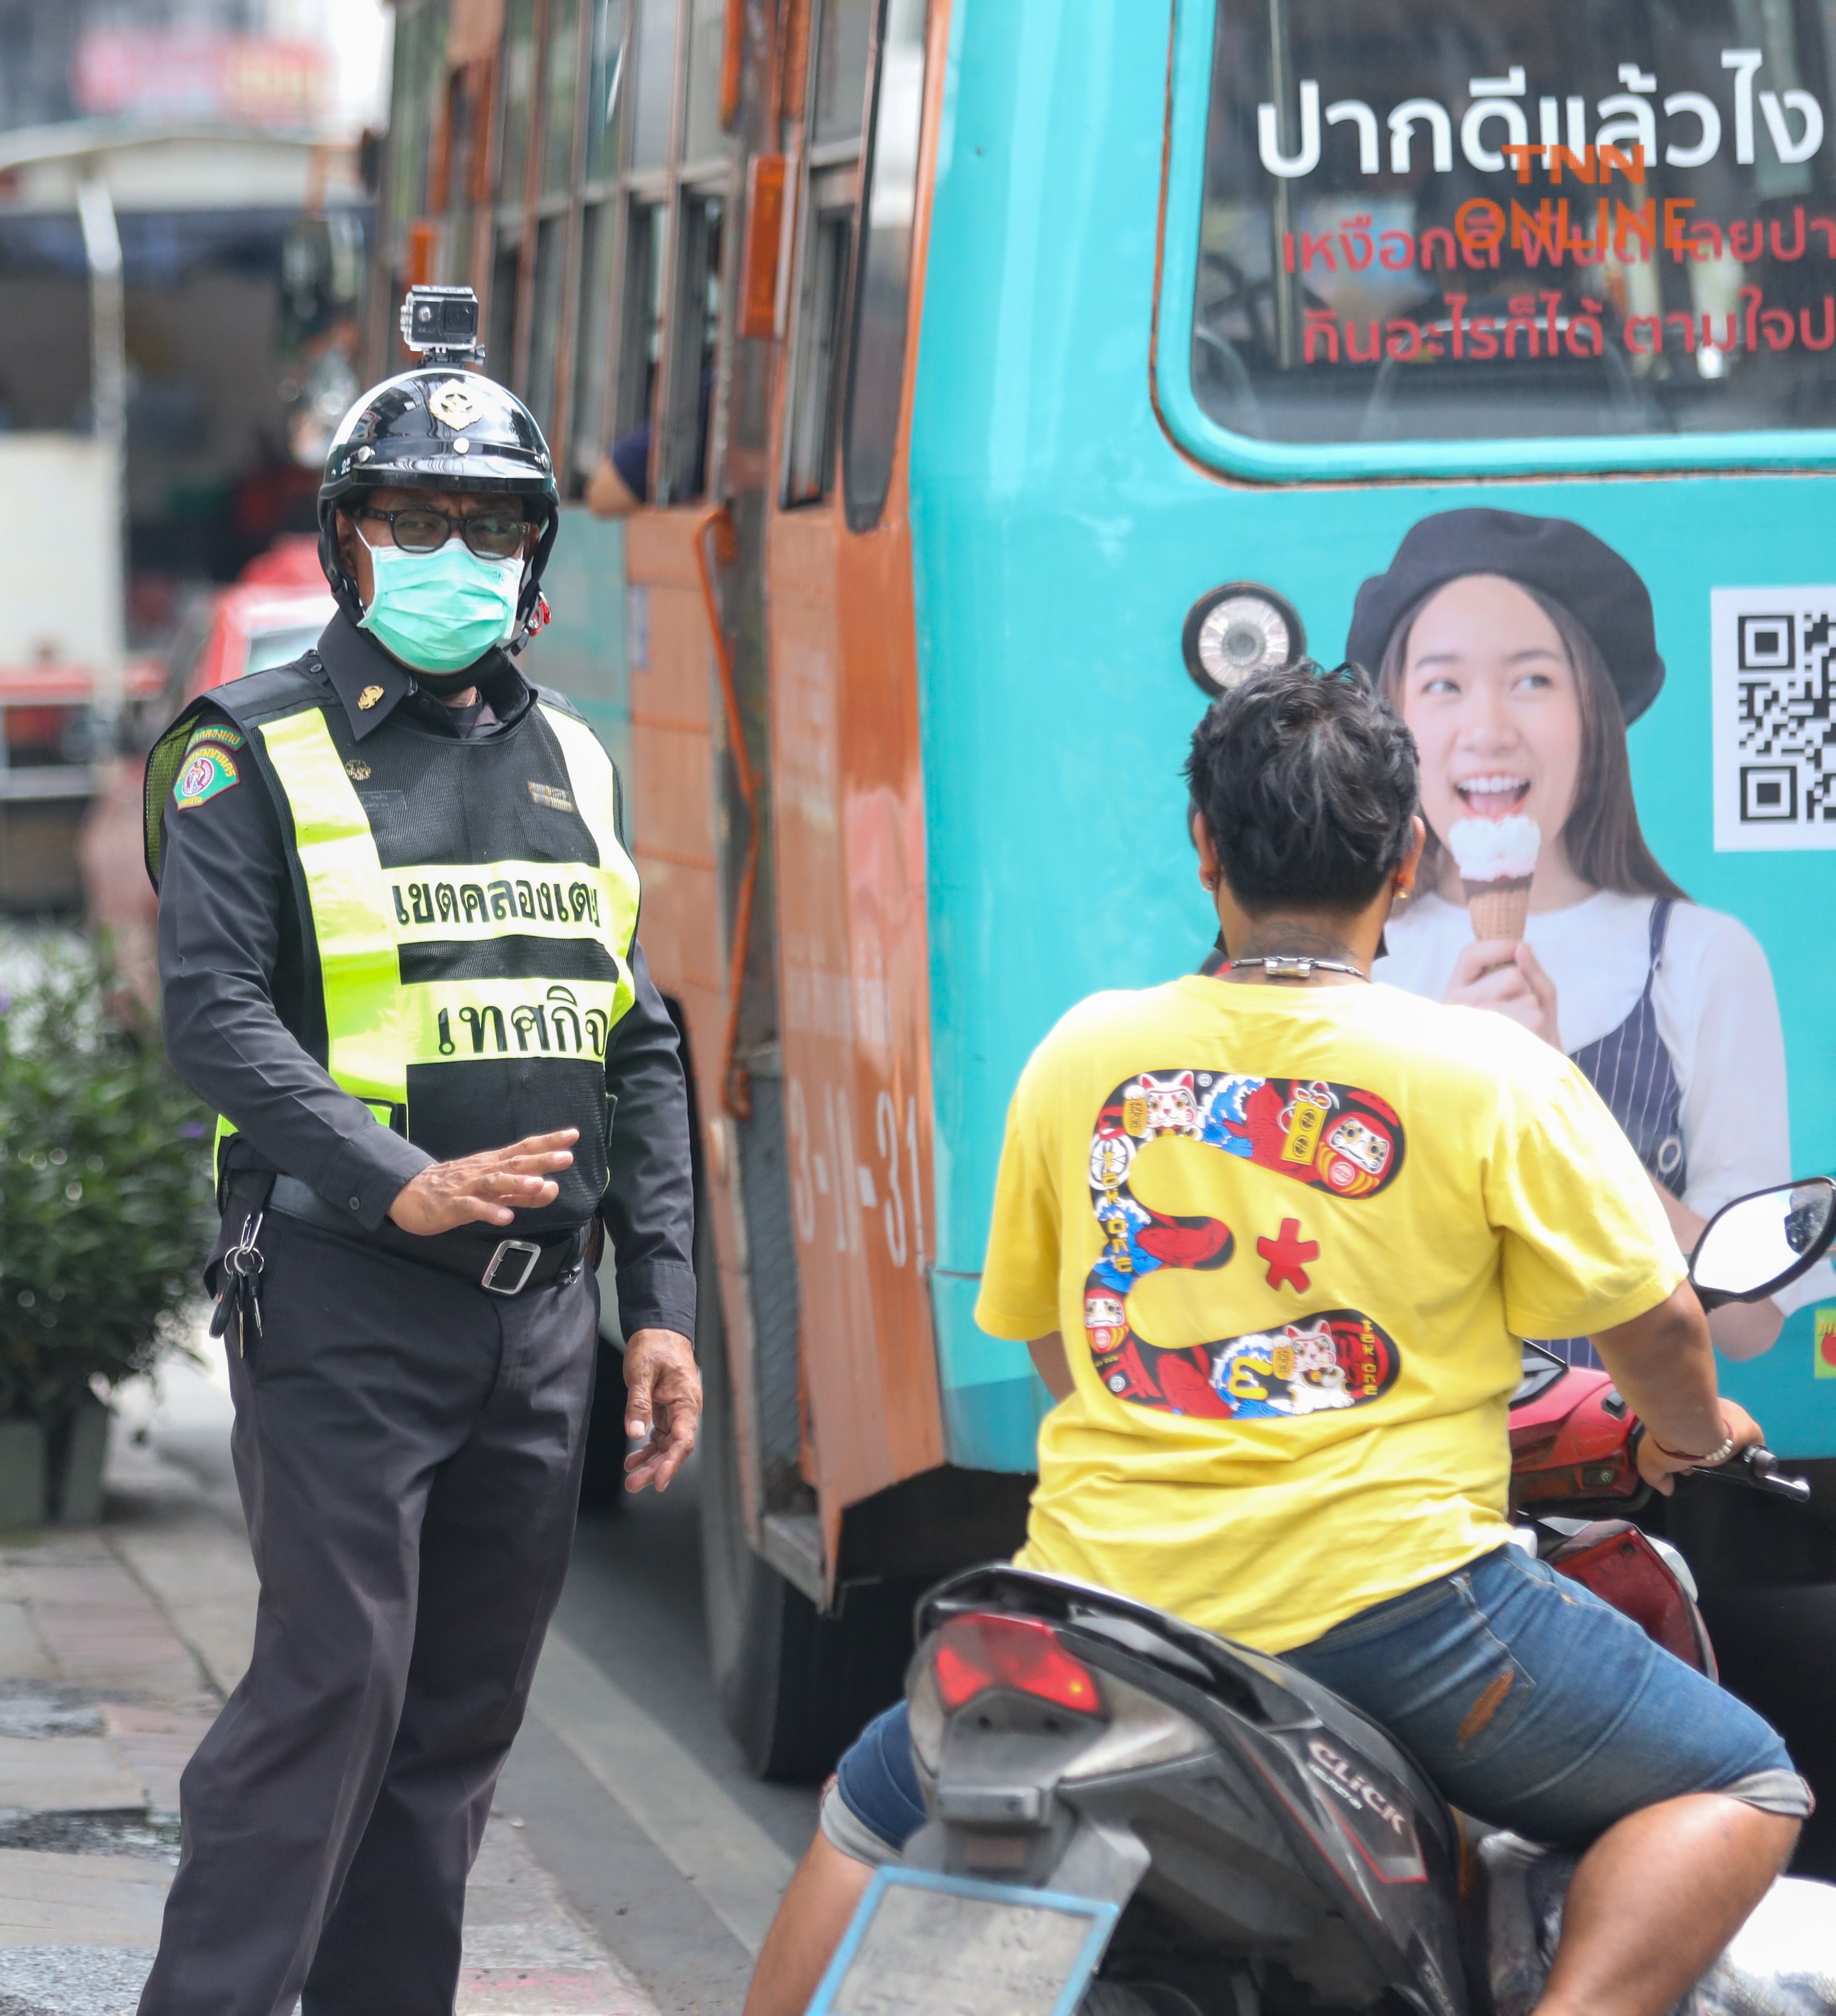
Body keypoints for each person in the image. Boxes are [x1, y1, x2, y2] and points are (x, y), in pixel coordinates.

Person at [746, 665, 1805, 2016]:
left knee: (866, 1804)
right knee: (1740, 1777)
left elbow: (1065, 1347)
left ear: (1205, 846)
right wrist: (1689, 1429)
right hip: (1404, 1615)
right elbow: (1655, 1315)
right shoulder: (1484, 1071)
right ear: (1407, 857)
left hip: (1098, 1603)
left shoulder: (1083, 1054)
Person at [137, 314, 703, 2016]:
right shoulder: (247, 746)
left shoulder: (572, 760)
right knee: (334, 1689)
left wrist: (660, 1305)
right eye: (415, 520)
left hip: (534, 1332)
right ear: (347, 537)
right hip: (344, 1297)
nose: (455, 557)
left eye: (492, 527)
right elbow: (214, 1020)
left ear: (535, 560)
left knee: (454, 1729)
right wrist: (397, 1177)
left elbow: (638, 1039)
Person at [1356, 509, 1814, 1360]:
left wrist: (1562, 1100)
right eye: (1443, 685)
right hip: (1405, 1469)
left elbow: (1749, 1325)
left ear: (1592, 717)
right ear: (1395, 724)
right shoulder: (1352, 961)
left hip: (1633, 1462)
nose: (1487, 729)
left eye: (1532, 680)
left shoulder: (1701, 956)